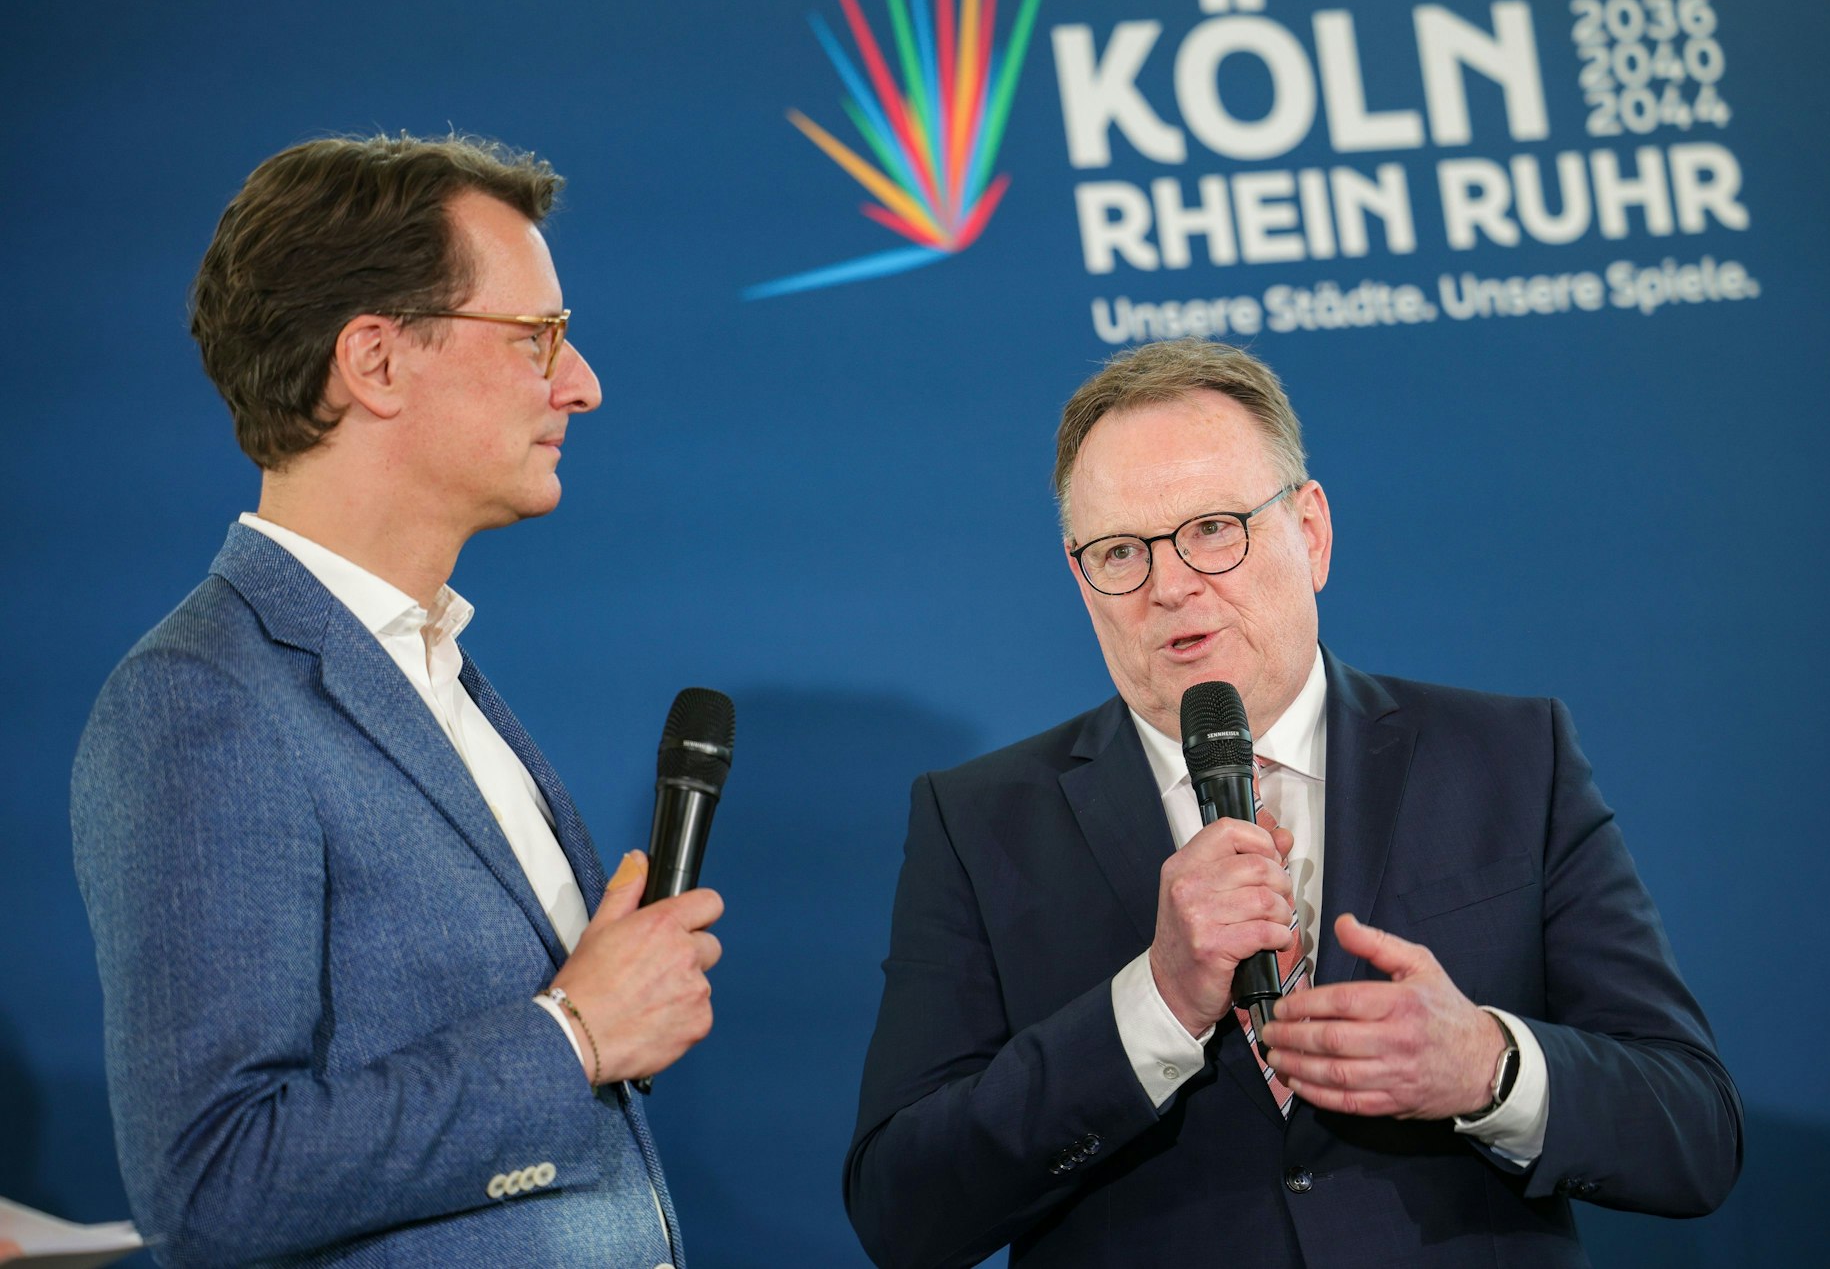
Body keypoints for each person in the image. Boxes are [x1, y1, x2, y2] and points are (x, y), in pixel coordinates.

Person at [845, 338, 1740, 1267]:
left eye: (1214, 528)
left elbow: (1694, 1134)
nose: (1171, 585)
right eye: (1121, 551)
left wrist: (1485, 1066)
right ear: (1081, 579)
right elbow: (903, 1211)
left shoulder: (1511, 760)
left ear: (1309, 533)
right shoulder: (981, 820)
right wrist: (1153, 1005)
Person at [71, 134, 721, 1267]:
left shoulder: (434, 667)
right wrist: (569, 1034)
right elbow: (213, 1182)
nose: (581, 382)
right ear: (374, 360)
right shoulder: (202, 700)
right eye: (537, 338)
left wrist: (600, 1010)